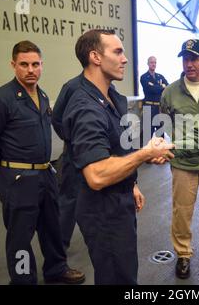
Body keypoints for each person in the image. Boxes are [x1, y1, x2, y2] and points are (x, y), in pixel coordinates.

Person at [61, 29, 174, 285]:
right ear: (95, 57)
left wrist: (130, 182)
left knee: (124, 271)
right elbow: (97, 175)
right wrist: (145, 154)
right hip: (103, 210)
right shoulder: (85, 107)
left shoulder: (111, 97)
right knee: (117, 276)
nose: (124, 59)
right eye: (118, 51)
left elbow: (114, 148)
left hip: (118, 197)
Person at [0, 41, 85, 285]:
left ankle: (56, 269)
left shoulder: (42, 96)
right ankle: (24, 280)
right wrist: (4, 167)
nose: (30, 70)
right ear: (13, 65)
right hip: (18, 180)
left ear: (42, 65)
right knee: (20, 237)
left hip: (46, 174)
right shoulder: (2, 99)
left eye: (35, 64)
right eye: (24, 64)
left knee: (52, 228)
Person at [160, 39, 199, 279]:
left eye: (194, 59)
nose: (189, 64)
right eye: (185, 59)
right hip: (183, 165)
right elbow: (163, 122)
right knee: (182, 212)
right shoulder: (170, 92)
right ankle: (183, 255)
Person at [52, 77, 85, 252]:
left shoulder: (109, 88)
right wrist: (72, 139)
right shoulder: (72, 87)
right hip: (74, 155)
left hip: (101, 156)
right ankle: (60, 249)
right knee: (68, 200)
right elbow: (57, 118)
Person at [140, 56, 169, 138]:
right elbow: (151, 89)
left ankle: (160, 151)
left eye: (155, 62)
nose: (153, 64)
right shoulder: (144, 77)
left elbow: (168, 87)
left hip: (158, 108)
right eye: (152, 62)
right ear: (148, 64)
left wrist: (158, 87)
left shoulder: (160, 76)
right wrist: (161, 86)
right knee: (147, 134)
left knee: (161, 134)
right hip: (148, 107)